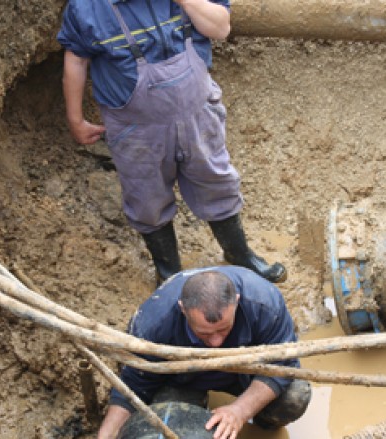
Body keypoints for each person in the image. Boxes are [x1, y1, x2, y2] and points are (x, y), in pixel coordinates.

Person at [57, 0, 287, 287]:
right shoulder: (87, 8)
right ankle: (169, 274)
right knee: (147, 198)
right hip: (136, 129)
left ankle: (239, 253)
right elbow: (76, 60)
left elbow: (220, 28)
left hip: (197, 114)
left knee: (216, 181)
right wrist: (76, 120)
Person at [97, 267, 312, 439]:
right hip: (182, 379)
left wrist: (240, 411)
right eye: (204, 334)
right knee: (165, 422)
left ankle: (262, 420)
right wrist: (107, 434)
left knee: (294, 396)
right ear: (182, 309)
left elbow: (283, 365)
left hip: (245, 373)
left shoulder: (265, 303)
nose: (216, 342)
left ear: (236, 301)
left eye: (223, 329)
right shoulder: (153, 323)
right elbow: (133, 386)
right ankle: (196, 407)